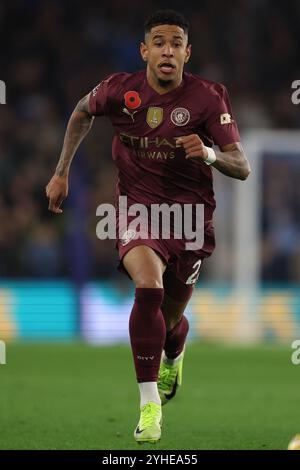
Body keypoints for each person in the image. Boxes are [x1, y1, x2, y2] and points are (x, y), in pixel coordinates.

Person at [46, 9, 251, 444]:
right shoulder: (120, 90)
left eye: (176, 43)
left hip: (191, 219)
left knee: (171, 316)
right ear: (144, 50)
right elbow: (82, 112)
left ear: (186, 53)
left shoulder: (209, 98)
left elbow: (243, 167)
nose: (167, 50)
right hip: (137, 210)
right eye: (159, 42)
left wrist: (211, 155)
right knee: (148, 289)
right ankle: (149, 407)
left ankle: (175, 349)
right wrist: (61, 171)